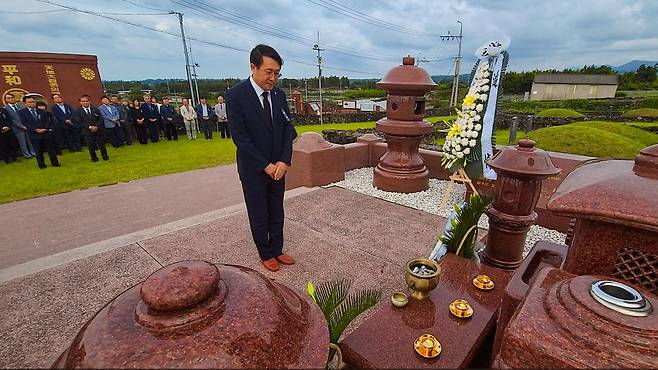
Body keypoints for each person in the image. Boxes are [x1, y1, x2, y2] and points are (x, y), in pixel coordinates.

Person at [226, 44, 296, 272]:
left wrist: (284, 161)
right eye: (269, 72)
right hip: (254, 168)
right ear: (253, 67)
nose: (273, 78)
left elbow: (288, 129)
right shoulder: (236, 95)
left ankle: (277, 248)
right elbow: (240, 138)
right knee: (259, 211)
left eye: (277, 73)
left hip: (278, 167)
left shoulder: (279, 95)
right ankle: (265, 253)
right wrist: (265, 165)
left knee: (277, 210)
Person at [18, 97, 60, 169]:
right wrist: (35, 129)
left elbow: (47, 120)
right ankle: (42, 165)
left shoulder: (41, 111)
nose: (32, 103)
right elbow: (25, 123)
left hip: (45, 133)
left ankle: (55, 164)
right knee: (38, 151)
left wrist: (45, 129)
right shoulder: (22, 112)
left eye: (33, 102)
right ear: (25, 103)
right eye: (30, 102)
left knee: (51, 150)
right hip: (34, 134)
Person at [74, 95, 108, 162]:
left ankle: (105, 156)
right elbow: (79, 121)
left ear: (89, 101)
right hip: (87, 131)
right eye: (83, 101)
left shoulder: (95, 109)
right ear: (80, 102)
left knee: (101, 144)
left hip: (98, 130)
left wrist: (96, 126)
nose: (85, 102)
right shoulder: (78, 111)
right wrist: (89, 127)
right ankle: (94, 158)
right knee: (90, 145)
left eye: (86, 101)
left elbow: (100, 118)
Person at [4, 93, 36, 158]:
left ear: (14, 98)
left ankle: (33, 152)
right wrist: (21, 126)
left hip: (27, 126)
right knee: (22, 142)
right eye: (8, 98)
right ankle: (26, 154)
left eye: (11, 97)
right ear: (6, 100)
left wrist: (26, 125)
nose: (10, 99)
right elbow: (11, 120)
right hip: (17, 128)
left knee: (30, 141)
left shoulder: (21, 106)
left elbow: (26, 115)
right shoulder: (5, 108)